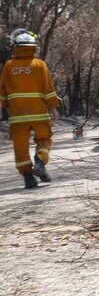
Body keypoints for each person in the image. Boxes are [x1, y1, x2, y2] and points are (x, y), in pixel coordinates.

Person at [0, 29, 60, 189]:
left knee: (20, 146)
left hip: (17, 115)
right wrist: (54, 108)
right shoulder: (39, 65)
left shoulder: (9, 66)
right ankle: (40, 161)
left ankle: (28, 177)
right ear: (33, 47)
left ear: (16, 46)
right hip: (39, 113)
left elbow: (3, 90)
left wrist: (4, 108)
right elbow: (48, 88)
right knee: (44, 139)